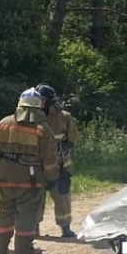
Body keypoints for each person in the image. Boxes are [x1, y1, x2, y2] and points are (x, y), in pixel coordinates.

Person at [0, 87, 58, 254]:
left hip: (4, 175)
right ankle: (24, 251)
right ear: (39, 105)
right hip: (30, 178)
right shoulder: (43, 128)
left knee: (2, 211)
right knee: (27, 213)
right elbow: (49, 159)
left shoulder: (4, 123)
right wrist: (52, 178)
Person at [34, 84, 80, 238]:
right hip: (38, 163)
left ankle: (64, 227)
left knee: (61, 194)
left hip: (57, 164)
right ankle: (37, 228)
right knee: (37, 195)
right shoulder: (33, 115)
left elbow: (72, 139)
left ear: (45, 99)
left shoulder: (64, 116)